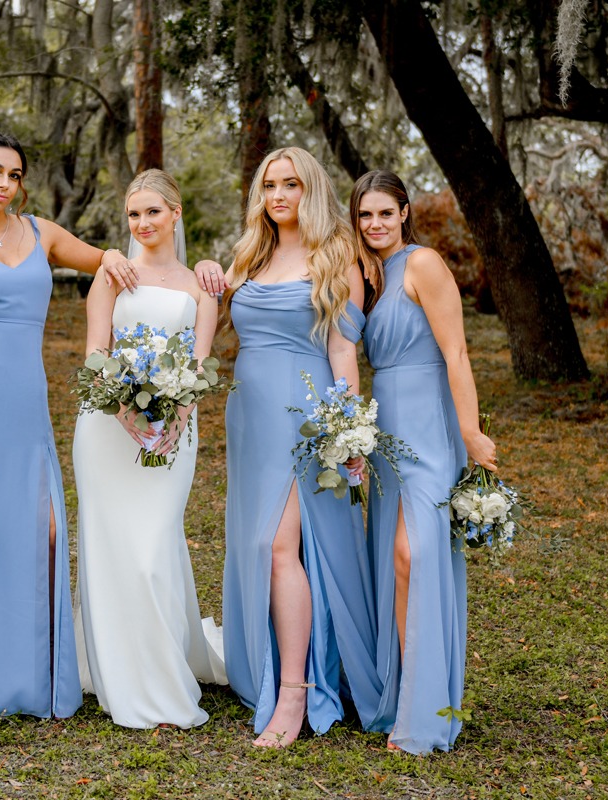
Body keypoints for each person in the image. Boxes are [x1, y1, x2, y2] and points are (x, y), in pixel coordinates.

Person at [0, 133, 225, 718]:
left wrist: (202, 264)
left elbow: (111, 258)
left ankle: (27, 668)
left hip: (25, 404)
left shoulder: (39, 233)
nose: (4, 183)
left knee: (38, 533)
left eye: (14, 174)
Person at [220, 147, 381, 747]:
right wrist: (212, 277)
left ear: (311, 189)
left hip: (305, 420)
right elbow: (215, 312)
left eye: (290, 184)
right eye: (269, 185)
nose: (279, 195)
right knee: (264, 546)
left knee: (276, 544)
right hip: (250, 420)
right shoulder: (250, 254)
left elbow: (343, 354)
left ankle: (294, 694)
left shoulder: (338, 257)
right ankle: (277, 668)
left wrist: (347, 431)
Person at [71, 169, 227, 728]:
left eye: (152, 213)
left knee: (153, 547)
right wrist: (124, 411)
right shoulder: (114, 273)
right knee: (114, 550)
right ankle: (123, 674)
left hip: (174, 429)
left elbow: (202, 364)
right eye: (134, 214)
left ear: (175, 214)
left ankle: (160, 673)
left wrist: (176, 415)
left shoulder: (200, 284)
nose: (142, 224)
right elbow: (95, 353)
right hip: (107, 430)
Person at [351, 169, 497, 754]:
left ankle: (426, 704)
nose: (376, 224)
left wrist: (471, 430)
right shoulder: (366, 274)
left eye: (386, 213)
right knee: (393, 560)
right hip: (386, 426)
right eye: (365, 215)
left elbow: (457, 351)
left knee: (417, 555)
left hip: (431, 426)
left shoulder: (423, 264)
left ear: (405, 212)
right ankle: (400, 695)